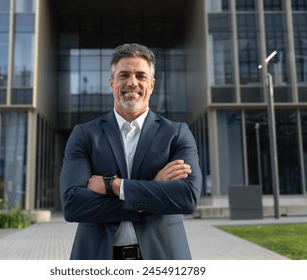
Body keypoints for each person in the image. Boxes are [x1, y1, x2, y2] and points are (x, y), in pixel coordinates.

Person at [60, 43, 202, 260]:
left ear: (152, 85)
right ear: (112, 82)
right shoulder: (84, 134)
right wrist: (155, 192)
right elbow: (72, 205)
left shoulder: (176, 133)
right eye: (123, 75)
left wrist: (114, 185)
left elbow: (187, 198)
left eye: (140, 76)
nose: (132, 82)